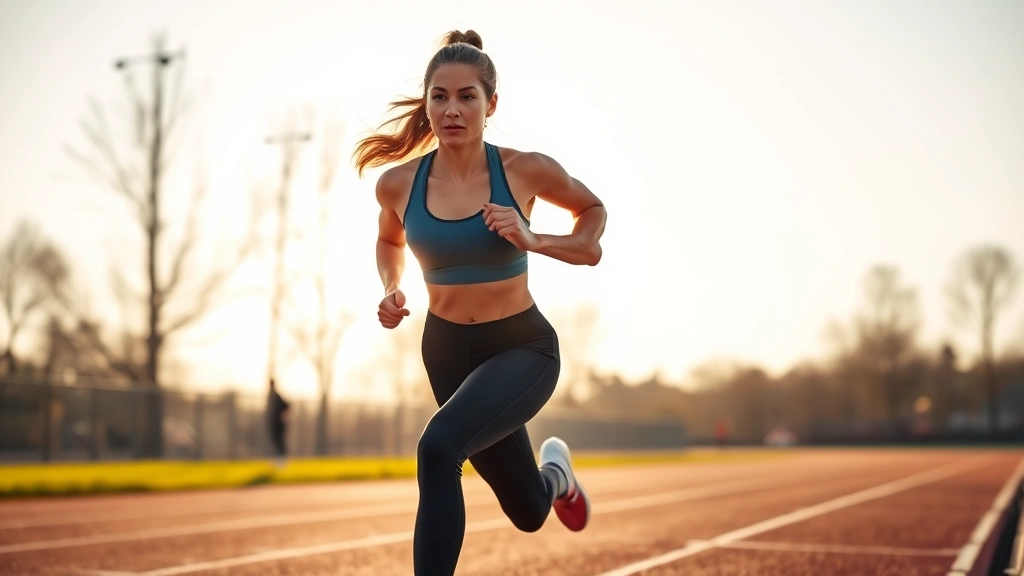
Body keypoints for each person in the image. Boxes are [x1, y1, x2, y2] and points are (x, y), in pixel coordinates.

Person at [353, 29, 608, 575]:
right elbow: (389, 241)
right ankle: (556, 479)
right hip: (447, 352)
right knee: (528, 510)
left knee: (438, 447)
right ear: (426, 105)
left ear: (490, 105)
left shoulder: (524, 170)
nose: (452, 109)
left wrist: (533, 238)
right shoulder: (397, 184)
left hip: (522, 348)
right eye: (440, 97)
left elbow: (591, 229)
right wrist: (390, 287)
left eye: (467, 96)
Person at [266, 378, 289, 460]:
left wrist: (283, 416)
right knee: (275, 439)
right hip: (273, 422)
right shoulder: (270, 395)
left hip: (278, 423)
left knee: (279, 440)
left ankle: (282, 459)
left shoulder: (276, 396)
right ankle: (278, 457)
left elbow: (286, 405)